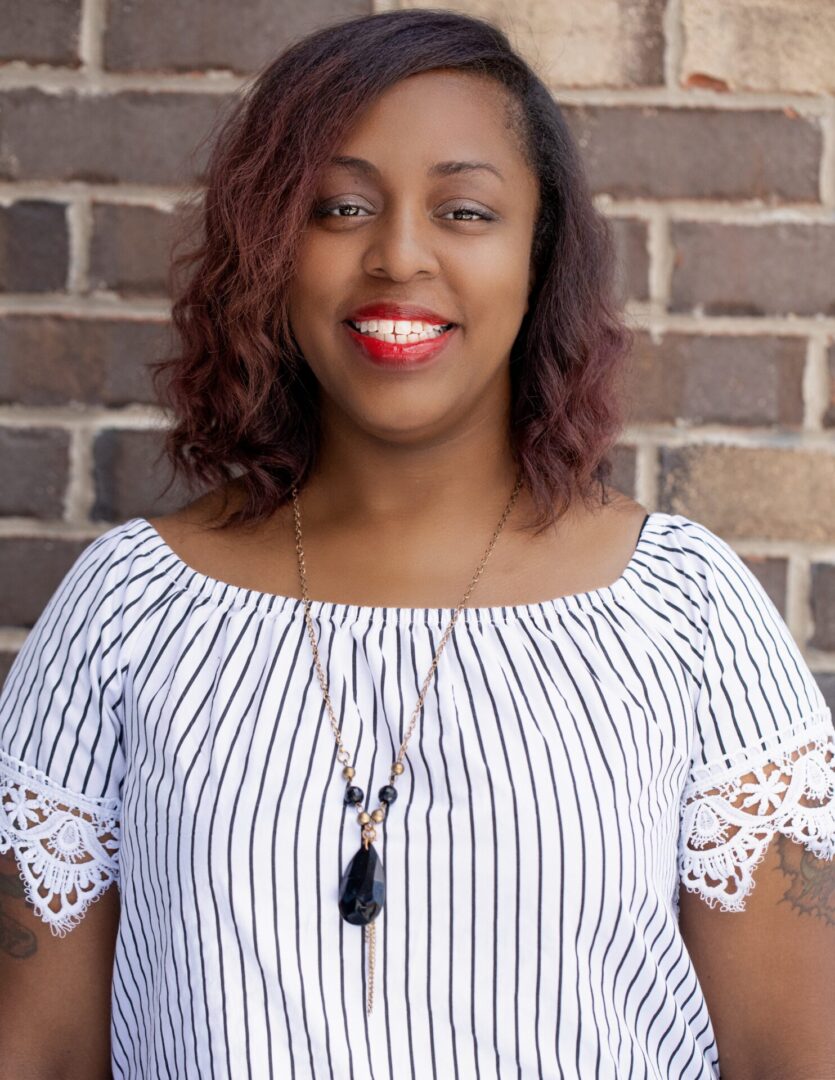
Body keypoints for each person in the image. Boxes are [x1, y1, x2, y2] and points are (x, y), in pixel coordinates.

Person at [1, 8, 833, 1079]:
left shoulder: (681, 609)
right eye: (339, 206)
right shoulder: (127, 611)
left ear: (537, 258)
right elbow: (41, 1049)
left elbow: (792, 1051)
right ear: (270, 249)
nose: (398, 253)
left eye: (465, 210)